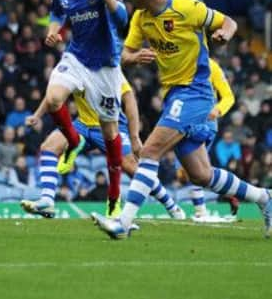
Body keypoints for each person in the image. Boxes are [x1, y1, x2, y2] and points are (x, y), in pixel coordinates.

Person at [92, 0, 272, 240]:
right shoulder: (141, 18)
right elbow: (124, 55)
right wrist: (135, 56)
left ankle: (123, 223)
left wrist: (225, 33)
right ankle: (264, 197)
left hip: (196, 91)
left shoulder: (189, 8)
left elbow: (229, 21)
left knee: (150, 151)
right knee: (201, 175)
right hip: (173, 96)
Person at [35, 0, 128, 217]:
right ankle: (73, 142)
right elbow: (57, 13)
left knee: (111, 135)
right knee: (53, 99)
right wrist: (54, 32)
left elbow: (123, 18)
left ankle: (113, 199)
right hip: (76, 57)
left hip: (106, 66)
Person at [22, 74, 184, 219]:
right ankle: (47, 200)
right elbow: (54, 93)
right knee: (48, 147)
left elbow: (130, 101)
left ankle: (171, 205)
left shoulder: (109, 68)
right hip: (82, 125)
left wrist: (134, 137)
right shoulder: (75, 67)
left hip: (111, 126)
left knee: (133, 169)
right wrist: (37, 114)